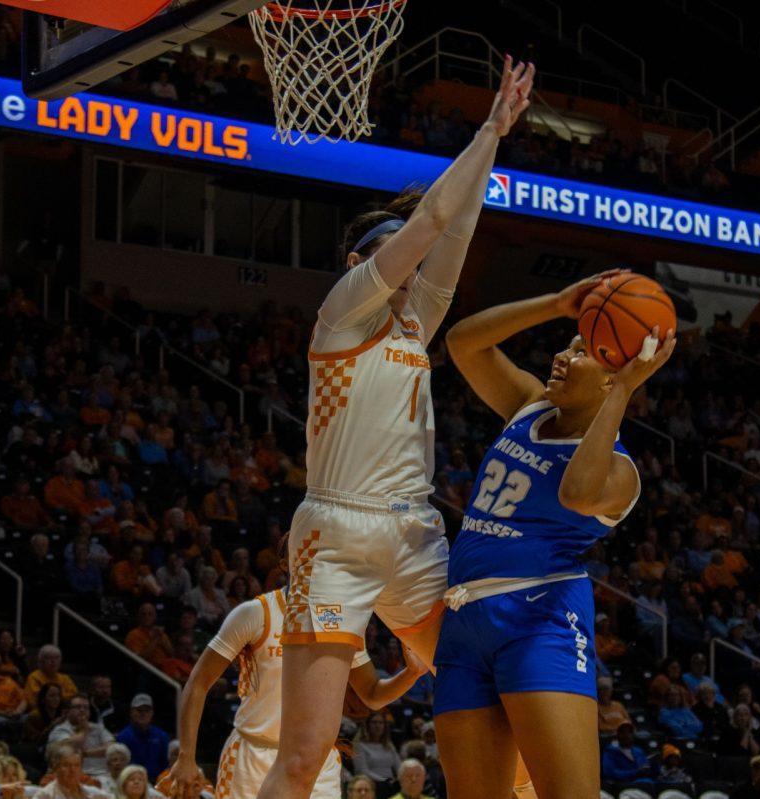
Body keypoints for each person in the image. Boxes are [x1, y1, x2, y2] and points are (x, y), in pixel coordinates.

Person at [170, 57, 536, 799]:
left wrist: (496, 139)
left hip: (413, 536)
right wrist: (485, 126)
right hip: (335, 535)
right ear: (358, 262)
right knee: (303, 757)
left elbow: (454, 232)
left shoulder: (416, 321)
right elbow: (433, 219)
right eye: (388, 253)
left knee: (504, 700)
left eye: (405, 257)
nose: (406, 265)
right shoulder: (342, 312)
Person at [433, 260, 674, 798]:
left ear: (614, 372)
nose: (563, 356)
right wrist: (555, 302)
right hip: (464, 617)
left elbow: (577, 494)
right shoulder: (528, 407)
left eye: (584, 349)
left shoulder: (620, 472)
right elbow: (462, 342)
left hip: (539, 618)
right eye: (568, 342)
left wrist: (623, 393)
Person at [167, 584, 430, 799]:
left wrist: (412, 673)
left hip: (318, 761)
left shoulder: (343, 620)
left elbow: (373, 695)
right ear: (288, 561)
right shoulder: (256, 613)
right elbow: (198, 681)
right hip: (255, 755)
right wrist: (186, 756)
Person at [48, 694, 115, 778]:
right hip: (71, 775)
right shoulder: (59, 730)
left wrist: (86, 753)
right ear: (67, 711)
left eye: (86, 707)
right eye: (77, 707)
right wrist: (84, 730)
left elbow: (112, 748)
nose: (82, 710)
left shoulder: (98, 728)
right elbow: (70, 748)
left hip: (102, 774)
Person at [116, 695, 171, 778]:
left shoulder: (161, 736)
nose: (143, 714)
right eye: (139, 710)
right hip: (132, 782)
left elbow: (165, 763)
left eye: (147, 710)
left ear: (152, 713)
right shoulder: (123, 737)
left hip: (157, 782)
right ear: (131, 712)